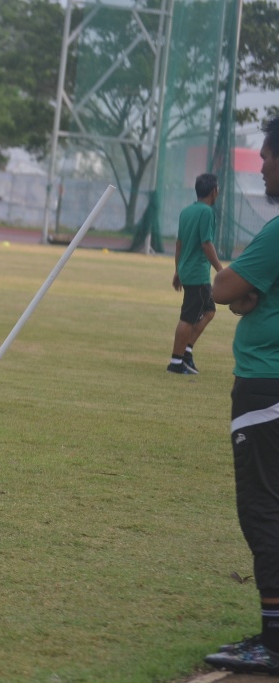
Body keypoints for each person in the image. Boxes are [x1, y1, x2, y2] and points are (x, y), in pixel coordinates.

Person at [203, 115, 279, 676]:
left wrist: (240, 292)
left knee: (262, 510)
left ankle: (273, 641)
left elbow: (225, 287)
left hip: (265, 386)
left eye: (266, 155)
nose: (262, 165)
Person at [168, 173, 224, 375]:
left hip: (187, 271)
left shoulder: (186, 212)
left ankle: (187, 351)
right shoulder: (207, 213)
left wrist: (178, 270)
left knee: (209, 311)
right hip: (198, 274)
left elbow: (179, 244)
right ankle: (175, 362)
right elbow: (206, 243)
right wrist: (221, 270)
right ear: (214, 191)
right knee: (188, 317)